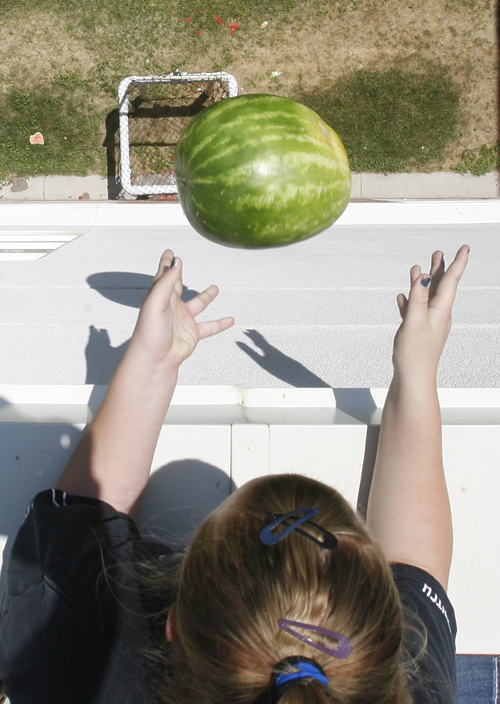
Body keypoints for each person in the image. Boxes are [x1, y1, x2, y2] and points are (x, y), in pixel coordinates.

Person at [0, 245, 470, 704]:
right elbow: (416, 559)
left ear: (173, 623)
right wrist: (417, 370)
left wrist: (156, 360)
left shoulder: (79, 644)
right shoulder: (404, 682)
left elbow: (85, 513)